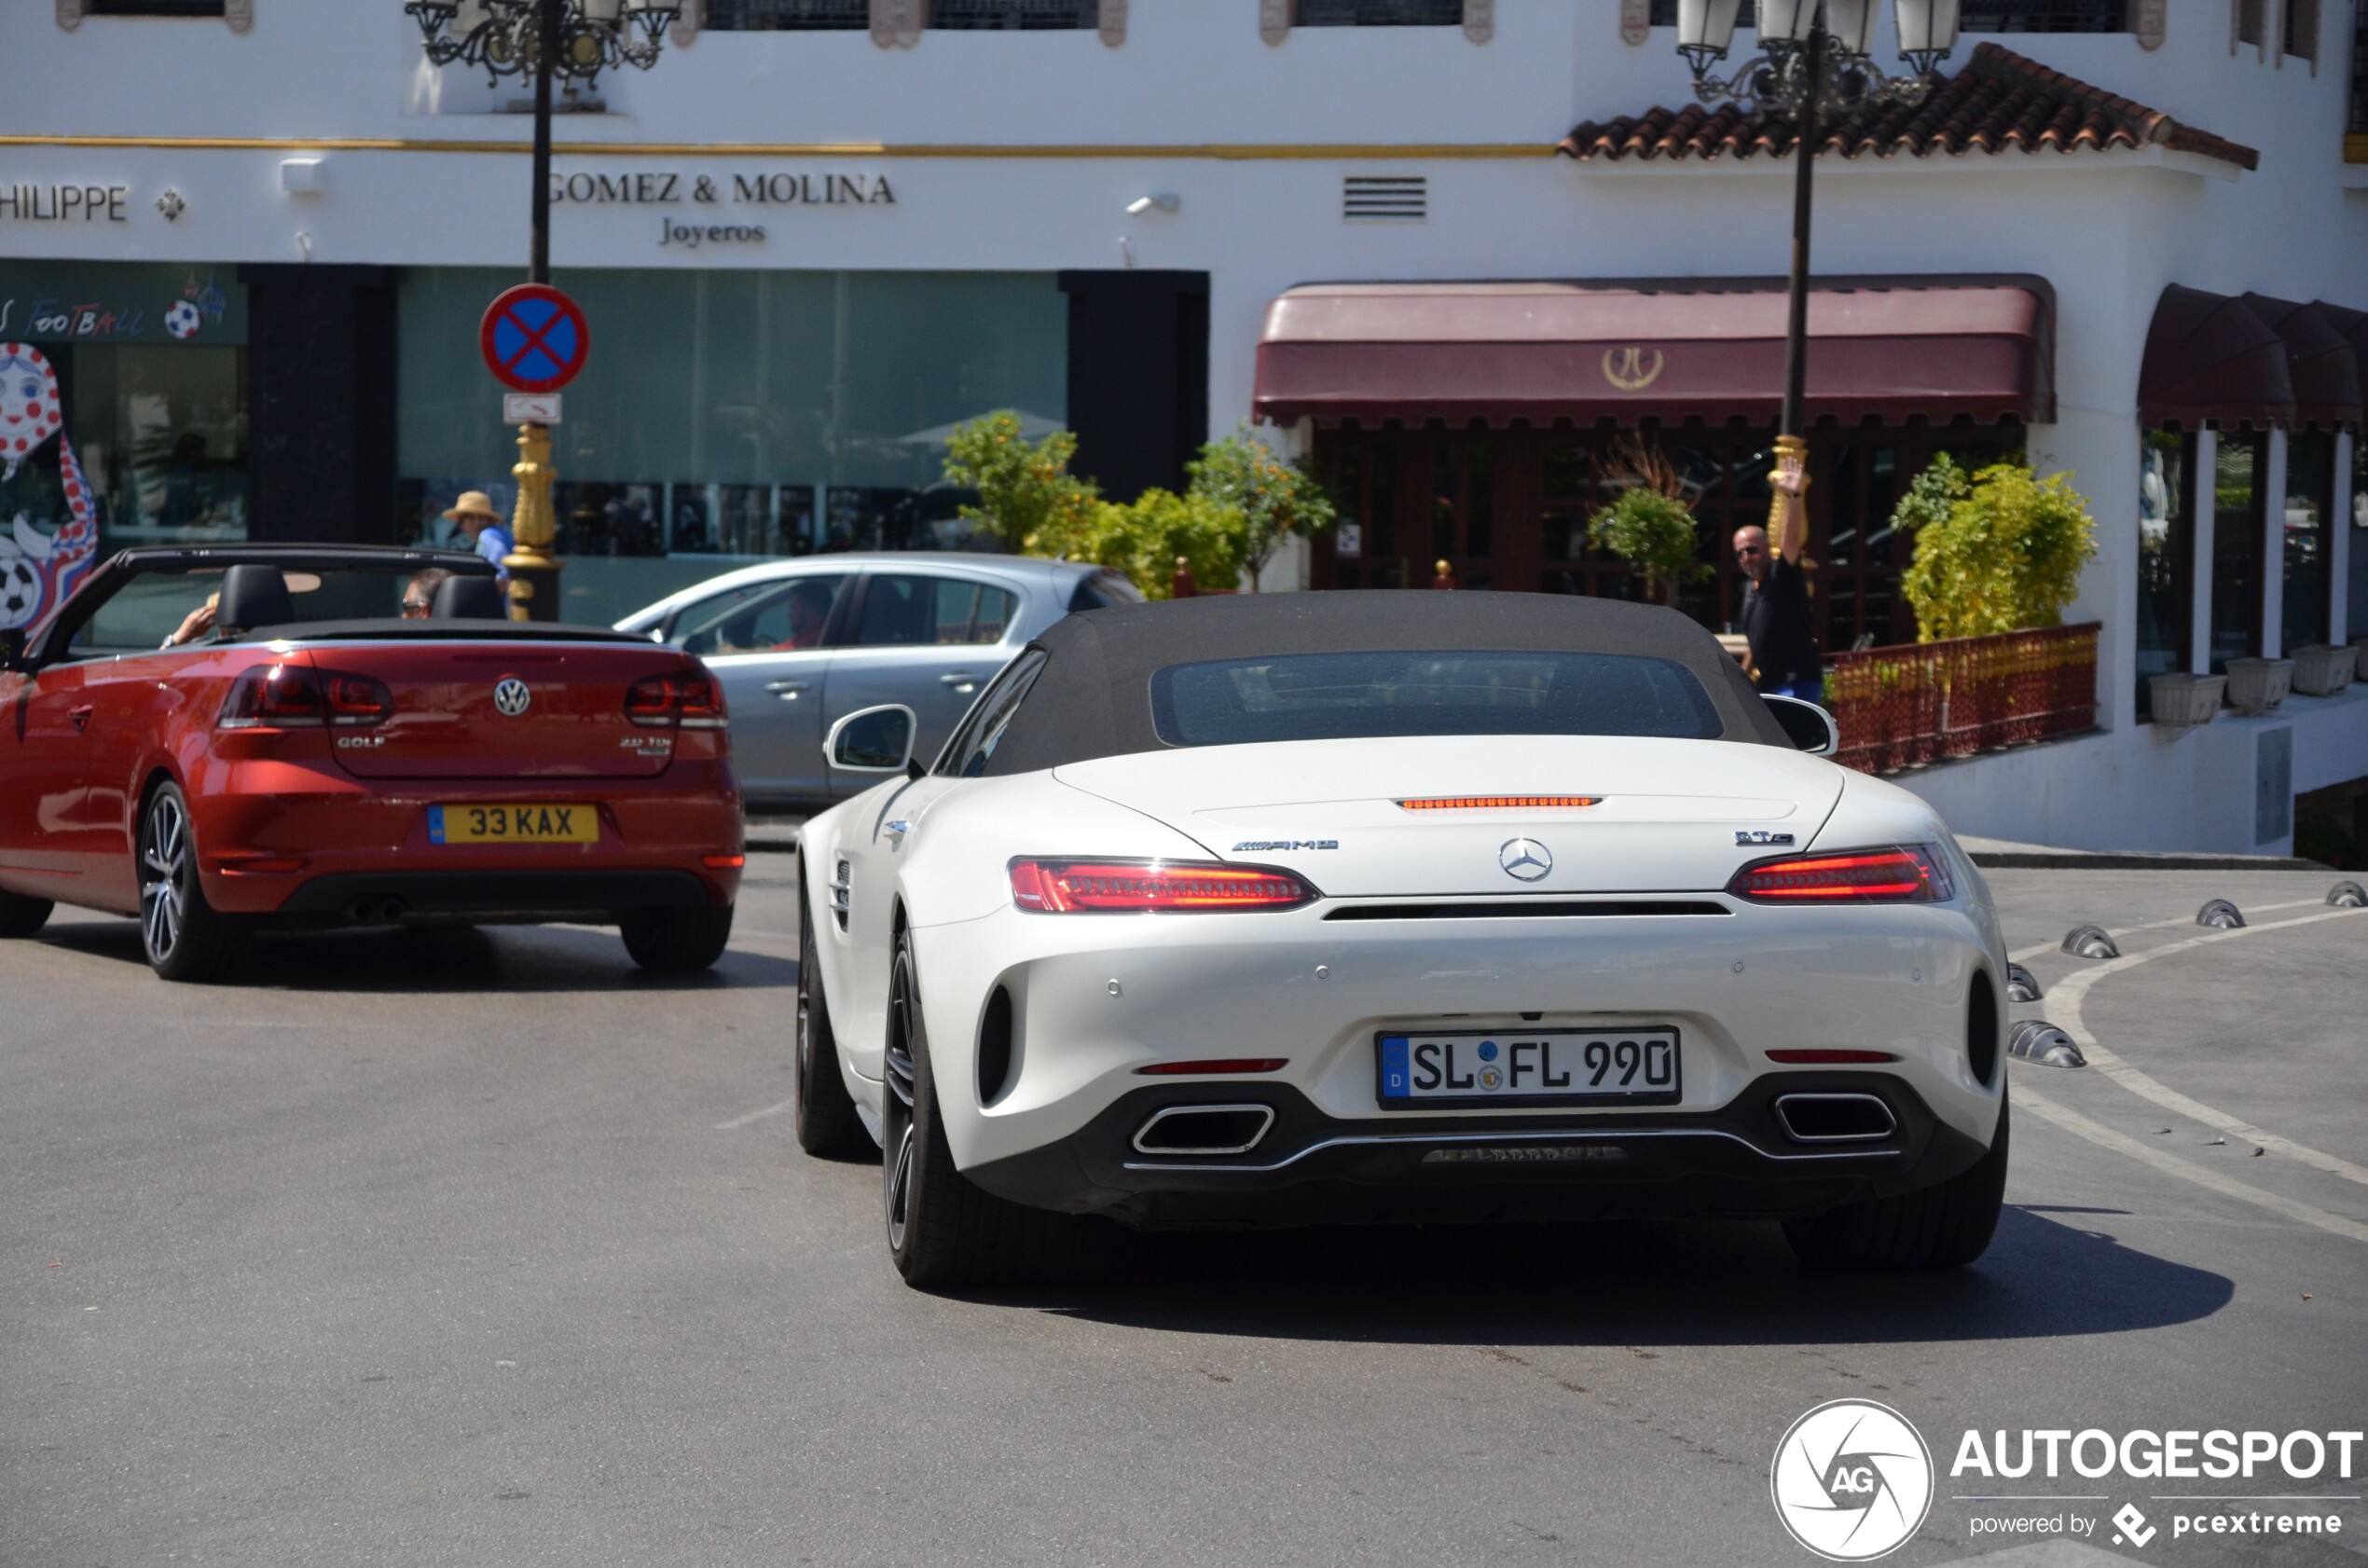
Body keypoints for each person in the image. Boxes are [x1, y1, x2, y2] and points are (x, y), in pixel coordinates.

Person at [1734, 464, 1824, 704]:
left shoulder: (1781, 575)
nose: (1746, 557)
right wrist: (1743, 674)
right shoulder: (1750, 589)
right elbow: (1759, 638)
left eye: (1751, 550)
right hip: (1771, 682)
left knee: (1794, 739)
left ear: (1766, 548)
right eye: (1739, 553)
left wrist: (1793, 496)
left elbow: (1791, 540)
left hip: (1797, 681)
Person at [443, 491, 514, 589]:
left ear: (475, 518)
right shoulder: (494, 534)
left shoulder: (488, 537)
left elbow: (504, 579)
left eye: (461, 520)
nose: (460, 526)